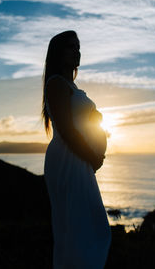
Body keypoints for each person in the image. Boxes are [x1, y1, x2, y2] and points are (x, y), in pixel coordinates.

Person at [42, 30, 111, 269]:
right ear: (58, 53)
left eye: (78, 47)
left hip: (78, 160)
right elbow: (68, 131)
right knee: (79, 225)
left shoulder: (71, 86)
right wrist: (94, 157)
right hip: (69, 159)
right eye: (71, 47)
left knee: (89, 225)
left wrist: (95, 116)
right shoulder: (56, 84)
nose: (77, 51)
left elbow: (80, 122)